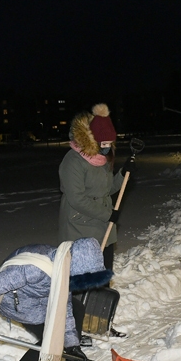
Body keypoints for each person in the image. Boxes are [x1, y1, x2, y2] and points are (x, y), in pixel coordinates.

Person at [58, 103, 133, 339]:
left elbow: (108, 188)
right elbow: (77, 198)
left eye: (110, 144)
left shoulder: (101, 162)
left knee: (102, 278)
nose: (107, 149)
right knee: (84, 282)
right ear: (91, 140)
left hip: (103, 228)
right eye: (103, 144)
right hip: (80, 227)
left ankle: (100, 323)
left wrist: (123, 174)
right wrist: (106, 215)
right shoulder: (72, 161)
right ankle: (77, 330)